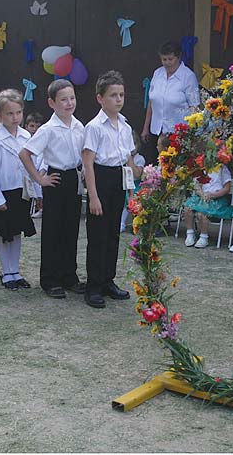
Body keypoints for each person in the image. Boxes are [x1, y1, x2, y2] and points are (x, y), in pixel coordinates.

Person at [20, 79, 85, 299]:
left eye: (72, 98)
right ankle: (50, 279)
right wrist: (40, 179)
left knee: (71, 230)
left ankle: (69, 276)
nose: (69, 103)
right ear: (52, 103)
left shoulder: (79, 126)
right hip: (55, 179)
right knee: (53, 231)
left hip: (74, 179)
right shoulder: (47, 129)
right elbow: (25, 154)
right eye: (63, 100)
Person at [82, 70, 135, 308]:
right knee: (98, 236)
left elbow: (128, 161)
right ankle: (93, 285)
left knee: (113, 233)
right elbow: (88, 163)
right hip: (100, 178)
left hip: (118, 180)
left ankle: (107, 280)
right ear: (100, 98)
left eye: (121, 95)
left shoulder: (124, 125)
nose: (118, 99)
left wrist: (132, 190)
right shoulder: (94, 127)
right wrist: (93, 196)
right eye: (113, 95)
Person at [0, 89, 36, 291]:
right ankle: (6, 272)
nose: (15, 117)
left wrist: (35, 191)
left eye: (18, 113)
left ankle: (16, 271)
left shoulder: (26, 136)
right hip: (4, 192)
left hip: (21, 192)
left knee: (17, 232)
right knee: (5, 234)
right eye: (10, 114)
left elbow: (31, 166)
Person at [140, 40, 200, 166]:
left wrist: (192, 134)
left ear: (178, 57)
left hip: (177, 134)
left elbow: (194, 107)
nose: (166, 63)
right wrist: (146, 127)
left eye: (170, 59)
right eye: (163, 59)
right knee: (155, 167)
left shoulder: (188, 77)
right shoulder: (157, 73)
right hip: (156, 130)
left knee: (174, 169)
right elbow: (152, 102)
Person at [183, 165, 233, 248]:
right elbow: (197, 185)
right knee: (188, 208)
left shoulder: (223, 168)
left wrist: (213, 195)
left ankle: (204, 237)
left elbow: (226, 189)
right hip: (203, 196)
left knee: (201, 212)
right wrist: (202, 195)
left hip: (217, 199)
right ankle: (190, 234)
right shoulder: (203, 167)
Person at [120, 131, 145, 232]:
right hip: (123, 184)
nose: (132, 147)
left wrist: (130, 161)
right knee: (123, 201)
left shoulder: (140, 158)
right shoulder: (121, 157)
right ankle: (121, 222)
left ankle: (137, 224)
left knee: (134, 202)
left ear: (138, 144)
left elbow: (137, 174)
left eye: (134, 144)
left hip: (135, 186)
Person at [24, 112, 45, 218]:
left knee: (40, 180)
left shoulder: (43, 140)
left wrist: (41, 171)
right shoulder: (24, 140)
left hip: (40, 171)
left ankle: (41, 207)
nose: (34, 129)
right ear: (26, 126)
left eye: (38, 127)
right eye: (32, 126)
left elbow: (45, 158)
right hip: (27, 171)